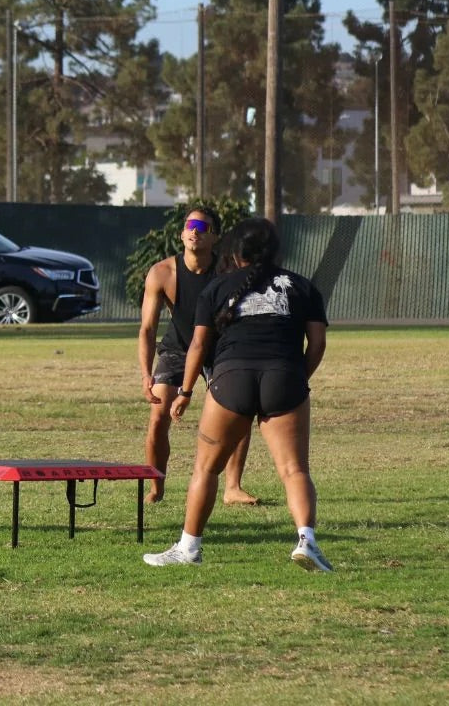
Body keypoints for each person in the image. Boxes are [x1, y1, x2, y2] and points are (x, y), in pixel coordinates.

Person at [142, 216, 332, 571]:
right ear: (276, 251)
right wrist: (297, 378)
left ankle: (188, 547)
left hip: (231, 377)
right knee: (294, 470)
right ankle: (307, 540)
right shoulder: (303, 286)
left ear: (235, 252)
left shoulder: (216, 287)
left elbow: (199, 343)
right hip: (284, 377)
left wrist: (185, 390)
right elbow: (318, 342)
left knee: (206, 468)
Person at [138, 205, 257, 505]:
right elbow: (148, 330)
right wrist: (145, 374)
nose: (195, 231)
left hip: (221, 349)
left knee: (238, 412)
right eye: (190, 225)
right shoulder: (162, 273)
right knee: (157, 419)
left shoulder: (228, 272)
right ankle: (157, 485)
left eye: (203, 227)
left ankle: (233, 487)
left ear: (215, 237)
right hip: (178, 348)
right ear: (181, 234)